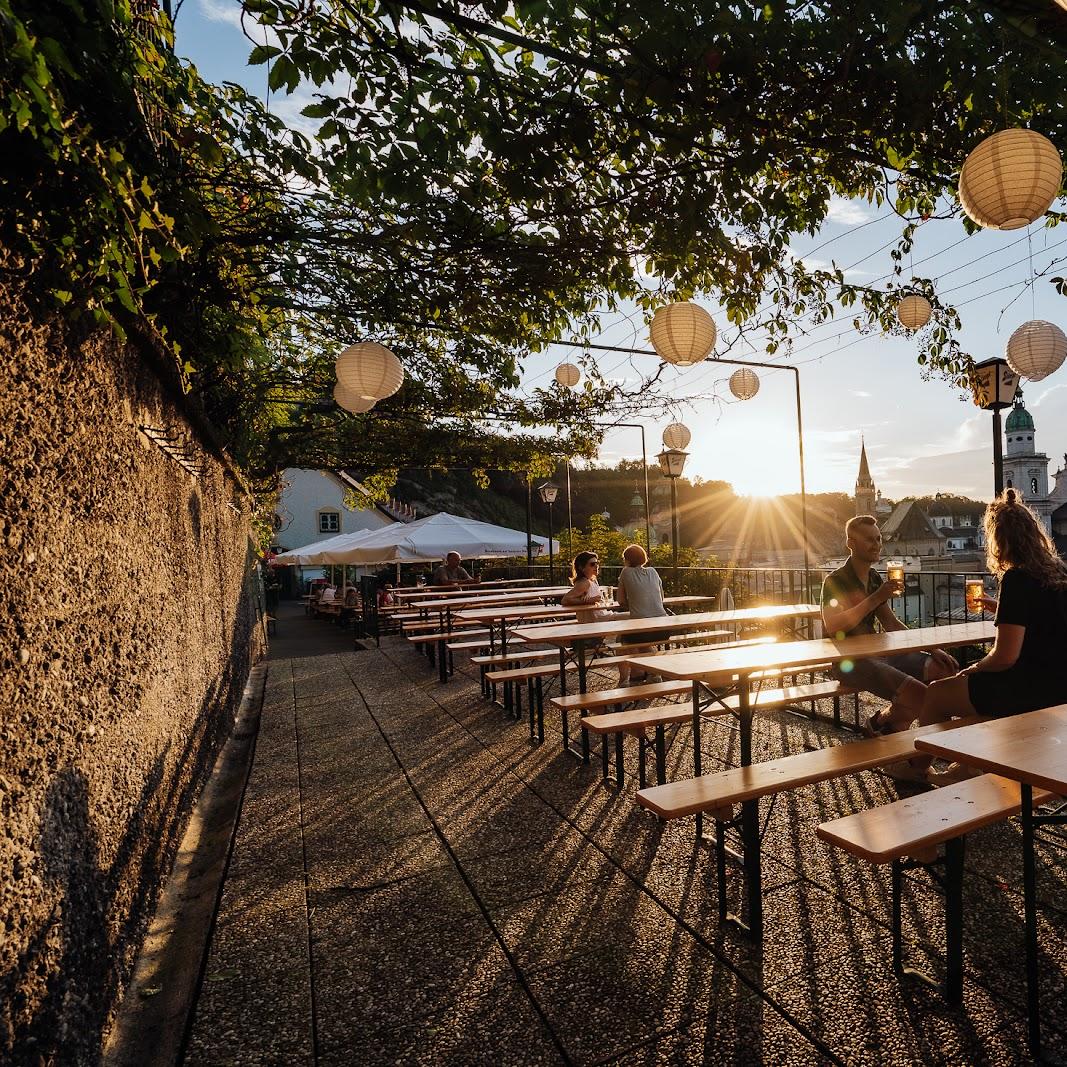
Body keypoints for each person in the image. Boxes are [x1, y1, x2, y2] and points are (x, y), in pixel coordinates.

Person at [908, 489, 1067, 785]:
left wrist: (974, 668)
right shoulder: (1058, 572)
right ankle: (966, 768)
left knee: (936, 694)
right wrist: (1003, 609)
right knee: (969, 697)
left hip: (1032, 689)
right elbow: (1045, 621)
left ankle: (916, 769)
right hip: (1061, 687)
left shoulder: (1017, 578)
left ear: (999, 540)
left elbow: (1006, 657)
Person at [821, 515, 958, 776]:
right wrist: (876, 598)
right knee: (921, 696)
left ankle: (884, 726)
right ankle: (908, 757)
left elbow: (892, 624)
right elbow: (833, 626)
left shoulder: (873, 577)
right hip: (850, 662)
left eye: (879, 539)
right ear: (851, 543)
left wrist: (932, 648)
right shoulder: (835, 580)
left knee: (945, 673)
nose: (877, 544)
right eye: (869, 540)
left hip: (881, 654)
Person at [616, 544, 671, 686]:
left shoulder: (625, 572)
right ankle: (652, 673)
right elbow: (662, 598)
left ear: (627, 560)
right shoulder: (653, 571)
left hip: (644, 629)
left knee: (622, 641)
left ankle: (629, 678)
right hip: (663, 628)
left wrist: (632, 602)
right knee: (640, 639)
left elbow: (620, 601)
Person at [561, 551, 612, 624]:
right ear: (582, 567)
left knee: (630, 618)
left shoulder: (592, 579)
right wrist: (589, 600)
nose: (596, 566)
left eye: (597, 563)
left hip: (601, 617)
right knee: (631, 618)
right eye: (592, 564)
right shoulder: (584, 582)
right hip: (597, 620)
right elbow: (565, 600)